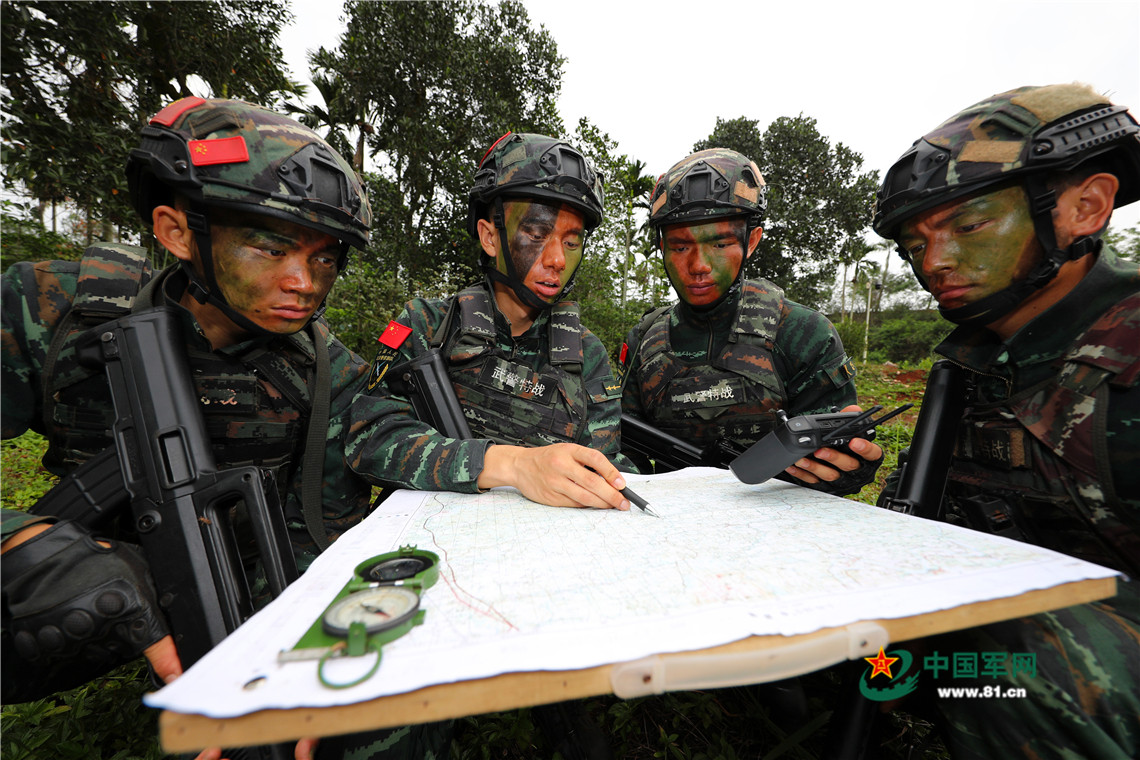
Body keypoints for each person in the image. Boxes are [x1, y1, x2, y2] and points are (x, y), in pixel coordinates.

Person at [0, 96, 426, 760]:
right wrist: (20, 542)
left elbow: (379, 443)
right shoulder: (54, 309)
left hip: (242, 587)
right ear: (176, 231)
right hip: (82, 587)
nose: (302, 283)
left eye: (324, 259)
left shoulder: (320, 363)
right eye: (269, 245)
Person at [872, 83, 1140, 759]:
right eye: (915, 244)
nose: (933, 263)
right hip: (1008, 647)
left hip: (1063, 666)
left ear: (1086, 207)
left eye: (968, 226)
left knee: (1020, 662)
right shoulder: (968, 364)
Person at [347, 131, 634, 509]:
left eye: (571, 241)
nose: (557, 260)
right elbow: (367, 439)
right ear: (489, 236)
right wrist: (508, 465)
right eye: (536, 233)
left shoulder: (586, 353)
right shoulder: (429, 325)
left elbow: (605, 465)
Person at [620, 148, 882, 494]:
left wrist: (847, 468)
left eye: (720, 244)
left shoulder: (800, 332)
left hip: (781, 524)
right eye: (680, 247)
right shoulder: (645, 339)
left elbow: (831, 458)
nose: (699, 265)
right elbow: (628, 455)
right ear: (662, 248)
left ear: (752, 241)